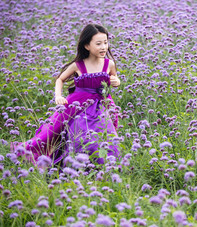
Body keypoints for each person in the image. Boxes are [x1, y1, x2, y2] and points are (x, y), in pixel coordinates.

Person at [11, 24, 121, 165]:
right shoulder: (78, 65)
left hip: (102, 105)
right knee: (74, 135)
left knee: (106, 136)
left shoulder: (109, 63)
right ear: (87, 46)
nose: (103, 47)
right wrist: (58, 96)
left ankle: (105, 164)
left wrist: (116, 81)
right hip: (78, 105)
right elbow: (60, 79)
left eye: (105, 42)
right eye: (98, 44)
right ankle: (78, 164)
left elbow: (114, 79)